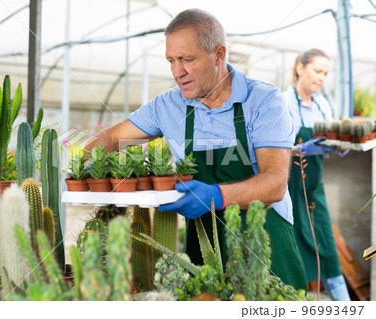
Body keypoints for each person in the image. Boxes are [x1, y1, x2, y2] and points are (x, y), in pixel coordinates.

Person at [85, 8, 306, 290]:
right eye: (171, 61)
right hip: (202, 247)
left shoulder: (263, 100)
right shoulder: (168, 105)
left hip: (263, 243)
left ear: (218, 54)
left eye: (187, 59)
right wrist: (88, 162)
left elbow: (274, 183)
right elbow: (112, 138)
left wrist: (214, 195)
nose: (178, 72)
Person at [283, 48, 351, 301]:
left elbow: (331, 138)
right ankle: (294, 302)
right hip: (287, 187)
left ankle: (345, 306)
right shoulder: (284, 101)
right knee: (293, 248)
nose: (322, 78)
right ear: (300, 68)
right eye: (317, 71)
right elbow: (272, 149)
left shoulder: (323, 104)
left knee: (327, 246)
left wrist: (342, 146)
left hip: (314, 187)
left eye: (326, 73)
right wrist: (301, 149)